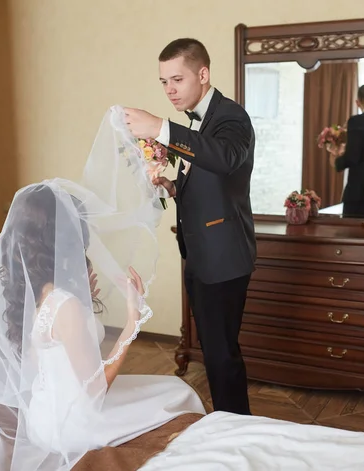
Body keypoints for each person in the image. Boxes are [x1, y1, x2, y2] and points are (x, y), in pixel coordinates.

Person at [0, 107, 206, 471]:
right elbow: (94, 390)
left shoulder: (36, 294)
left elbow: (54, 362)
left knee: (167, 391)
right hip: (74, 424)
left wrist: (83, 302)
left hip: (45, 416)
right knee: (178, 392)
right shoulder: (65, 305)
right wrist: (132, 320)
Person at [124, 38, 256, 415]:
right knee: (214, 352)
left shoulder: (231, 117)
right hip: (199, 255)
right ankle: (227, 423)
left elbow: (226, 159)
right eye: (164, 82)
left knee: (221, 354)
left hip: (224, 257)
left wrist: (160, 127)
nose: (169, 90)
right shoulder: (197, 123)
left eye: (177, 79)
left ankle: (235, 427)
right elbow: (208, 182)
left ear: (203, 74)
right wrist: (172, 186)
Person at [330, 83, 364, 218]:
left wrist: (337, 160)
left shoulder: (357, 121)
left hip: (360, 189)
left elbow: (353, 156)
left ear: (357, 102)